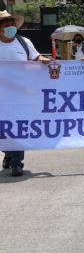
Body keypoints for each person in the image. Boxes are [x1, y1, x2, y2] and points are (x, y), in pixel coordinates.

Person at [0, 10, 50, 176]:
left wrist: (42, 60)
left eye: (12, 24)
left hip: (20, 95)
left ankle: (17, 162)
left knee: (19, 128)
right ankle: (8, 152)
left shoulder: (24, 42)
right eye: (6, 24)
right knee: (4, 129)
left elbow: (36, 58)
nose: (10, 27)